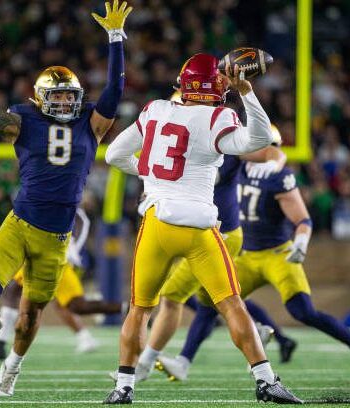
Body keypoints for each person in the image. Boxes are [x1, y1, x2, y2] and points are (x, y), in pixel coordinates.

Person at [104, 54, 302, 404]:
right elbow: (257, 140)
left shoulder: (155, 110)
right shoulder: (219, 117)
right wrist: (248, 93)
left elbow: (113, 156)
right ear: (215, 87)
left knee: (140, 309)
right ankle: (266, 381)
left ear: (183, 83)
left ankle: (124, 387)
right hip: (198, 228)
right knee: (231, 305)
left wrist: (150, 174)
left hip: (157, 224)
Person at [0, 1, 131, 397]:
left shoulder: (93, 124)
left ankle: (11, 368)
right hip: (18, 223)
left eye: (71, 97)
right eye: (60, 97)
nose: (67, 103)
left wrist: (116, 38)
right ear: (40, 97)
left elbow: (116, 90)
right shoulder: (23, 120)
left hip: (56, 237)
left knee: (32, 312)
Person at [158, 163, 350, 382]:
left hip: (278, 254)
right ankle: (184, 362)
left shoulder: (278, 175)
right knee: (211, 301)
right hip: (248, 255)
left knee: (302, 311)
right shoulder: (238, 167)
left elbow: (302, 217)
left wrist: (301, 242)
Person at [132, 150, 298, 383]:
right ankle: (254, 333)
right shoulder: (185, 140)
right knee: (215, 302)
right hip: (196, 230)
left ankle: (146, 364)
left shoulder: (225, 141)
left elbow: (272, 151)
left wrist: (275, 164)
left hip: (221, 233)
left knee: (174, 296)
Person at [0, 208, 124, 359]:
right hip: (40, 252)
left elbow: (82, 221)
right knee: (56, 302)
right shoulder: (39, 198)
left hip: (57, 256)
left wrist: (72, 249)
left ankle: (125, 310)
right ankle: (85, 336)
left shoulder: (68, 204)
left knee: (77, 306)